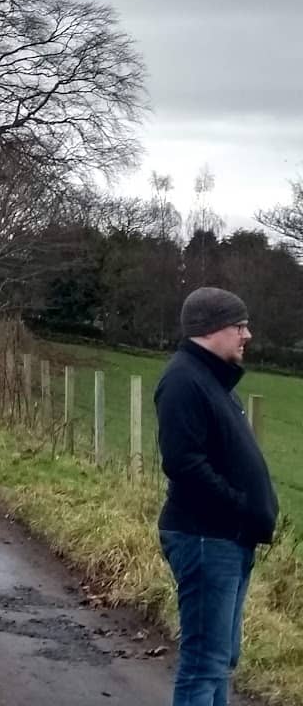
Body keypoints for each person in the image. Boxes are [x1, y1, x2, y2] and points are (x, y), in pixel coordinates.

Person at [156, 286, 279, 706]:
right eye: (239, 326)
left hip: (228, 538)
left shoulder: (212, 379)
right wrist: (240, 506)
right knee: (203, 663)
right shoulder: (183, 381)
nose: (248, 335)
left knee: (221, 658)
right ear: (210, 330)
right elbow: (183, 463)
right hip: (205, 538)